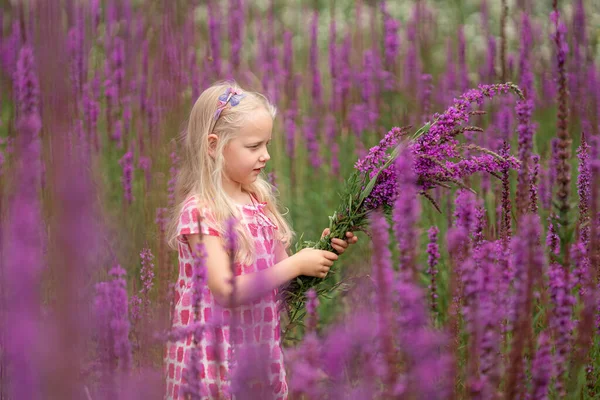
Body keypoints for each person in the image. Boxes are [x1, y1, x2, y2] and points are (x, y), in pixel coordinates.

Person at [163, 81, 358, 400]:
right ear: (213, 145)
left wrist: (322, 251)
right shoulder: (200, 211)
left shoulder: (258, 201)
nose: (266, 156)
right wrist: (296, 263)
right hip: (211, 359)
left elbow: (281, 282)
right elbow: (226, 291)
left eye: (267, 144)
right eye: (254, 146)